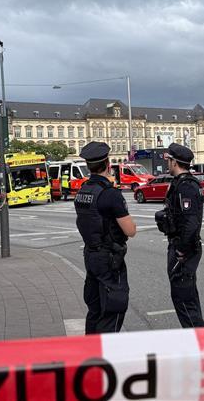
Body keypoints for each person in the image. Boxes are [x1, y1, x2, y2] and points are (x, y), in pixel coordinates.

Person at [74, 142, 137, 334]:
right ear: (108, 163)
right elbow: (130, 230)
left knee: (95, 308)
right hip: (109, 258)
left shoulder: (83, 191)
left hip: (90, 254)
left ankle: (91, 350)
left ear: (88, 165)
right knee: (113, 308)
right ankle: (105, 354)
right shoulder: (110, 194)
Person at [156, 143, 204, 328]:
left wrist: (181, 251)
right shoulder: (180, 183)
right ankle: (196, 340)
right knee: (186, 299)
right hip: (179, 246)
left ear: (175, 162)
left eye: (168, 160)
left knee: (185, 301)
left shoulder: (186, 187)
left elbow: (191, 223)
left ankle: (199, 343)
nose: (167, 163)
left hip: (184, 250)